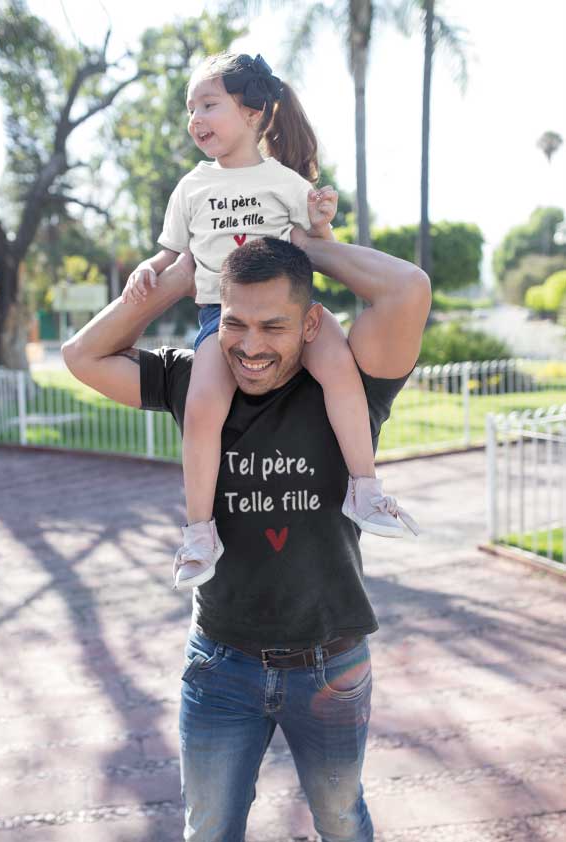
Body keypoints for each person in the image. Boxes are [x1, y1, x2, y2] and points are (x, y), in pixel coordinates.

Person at [61, 225, 431, 841]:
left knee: (342, 820)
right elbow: (82, 356)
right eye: (235, 323)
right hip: (220, 666)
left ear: (311, 324)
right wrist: (176, 278)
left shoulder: (349, 388)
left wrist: (301, 246)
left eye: (273, 326)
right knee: (207, 831)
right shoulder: (195, 384)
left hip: (331, 663)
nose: (249, 346)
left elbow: (407, 289)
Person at [120, 52, 418, 592]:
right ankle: (199, 531)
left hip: (296, 317)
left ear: (254, 112)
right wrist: (149, 267)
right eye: (191, 108)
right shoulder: (189, 187)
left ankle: (365, 487)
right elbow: (169, 254)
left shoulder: (284, 181)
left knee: (339, 370)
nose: (196, 119)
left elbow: (323, 251)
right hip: (223, 319)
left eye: (209, 104)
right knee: (202, 406)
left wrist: (323, 223)